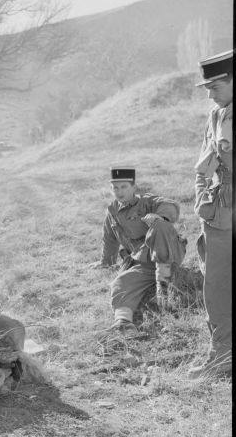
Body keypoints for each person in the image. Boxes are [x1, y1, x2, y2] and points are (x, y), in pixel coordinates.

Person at [90, 167, 187, 332]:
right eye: (115, 188)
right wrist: (105, 262)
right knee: (121, 283)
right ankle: (123, 323)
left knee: (160, 225)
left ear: (134, 187)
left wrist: (160, 217)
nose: (119, 192)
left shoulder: (147, 201)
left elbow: (171, 206)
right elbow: (109, 239)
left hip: (169, 252)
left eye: (124, 187)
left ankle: (163, 287)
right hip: (143, 262)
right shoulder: (112, 212)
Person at [189, 49, 233, 379]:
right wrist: (203, 201)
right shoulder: (216, 115)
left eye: (215, 86)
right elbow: (202, 168)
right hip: (221, 210)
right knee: (216, 285)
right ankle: (223, 354)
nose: (209, 93)